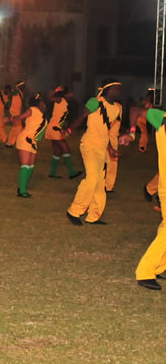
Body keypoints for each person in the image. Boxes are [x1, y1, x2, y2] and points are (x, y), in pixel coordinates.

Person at [66, 80, 123, 225]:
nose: (120, 91)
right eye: (117, 88)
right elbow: (82, 116)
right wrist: (69, 129)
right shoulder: (95, 102)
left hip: (102, 148)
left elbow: (106, 130)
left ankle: (93, 216)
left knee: (100, 183)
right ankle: (74, 211)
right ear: (108, 90)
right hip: (89, 145)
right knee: (92, 178)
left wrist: (110, 149)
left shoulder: (116, 109)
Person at [130, 106, 166, 289]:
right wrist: (131, 131)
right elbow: (136, 110)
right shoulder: (161, 117)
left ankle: (160, 266)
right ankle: (145, 272)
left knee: (164, 227)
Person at [14, 92, 49, 197]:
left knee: (30, 166)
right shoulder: (32, 110)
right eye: (43, 103)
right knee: (25, 165)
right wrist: (10, 119)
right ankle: (22, 191)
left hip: (33, 142)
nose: (45, 105)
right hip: (25, 140)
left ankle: (22, 187)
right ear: (39, 104)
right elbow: (20, 117)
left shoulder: (42, 115)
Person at [45, 86, 82, 179]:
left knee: (57, 152)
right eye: (70, 92)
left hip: (55, 129)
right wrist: (56, 90)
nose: (72, 94)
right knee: (66, 149)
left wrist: (65, 126)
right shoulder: (60, 100)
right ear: (65, 94)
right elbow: (49, 98)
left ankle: (52, 173)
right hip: (54, 129)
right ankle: (72, 173)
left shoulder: (65, 102)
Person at [5, 81, 26, 147]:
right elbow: (11, 93)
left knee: (15, 127)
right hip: (15, 111)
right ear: (19, 86)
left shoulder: (19, 92)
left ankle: (9, 143)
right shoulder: (17, 90)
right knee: (19, 127)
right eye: (23, 85)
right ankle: (23, 142)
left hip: (16, 111)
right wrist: (10, 94)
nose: (24, 86)